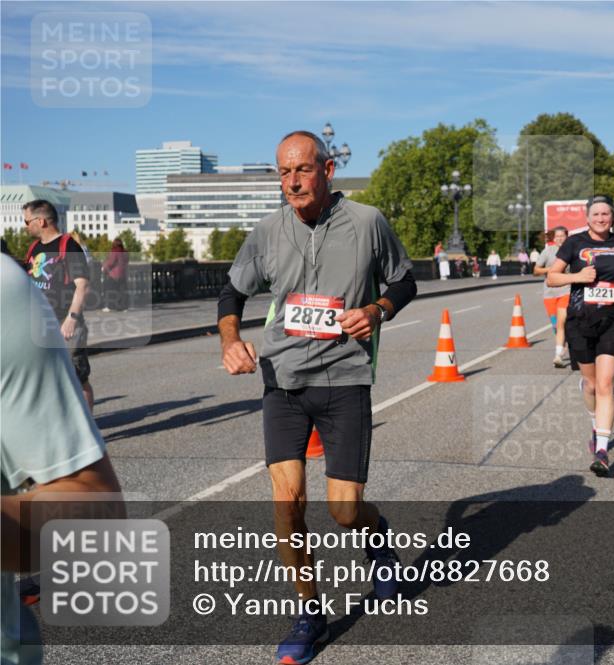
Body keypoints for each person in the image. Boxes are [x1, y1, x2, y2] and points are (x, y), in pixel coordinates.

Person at [217, 131, 417, 664]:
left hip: (345, 379)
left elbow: (404, 282)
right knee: (288, 504)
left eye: (303, 170)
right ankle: (309, 613)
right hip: (282, 381)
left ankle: (378, 543)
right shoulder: (266, 230)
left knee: (343, 510)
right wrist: (231, 339)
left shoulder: (369, 222)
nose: (293, 182)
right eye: (283, 173)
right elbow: (233, 291)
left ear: (327, 171)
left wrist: (376, 311)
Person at [1, 254, 123, 665]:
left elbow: (96, 508)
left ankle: (80, 424)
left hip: (49, 325)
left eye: (31, 219)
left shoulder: (8, 284)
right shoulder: (34, 253)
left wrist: (72, 314)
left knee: (83, 378)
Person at [545, 195, 614, 477]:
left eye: (606, 214)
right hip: (580, 321)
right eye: (596, 214)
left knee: (606, 383)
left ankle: (602, 449)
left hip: (613, 320)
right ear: (587, 218)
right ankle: (594, 422)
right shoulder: (574, 243)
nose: (601, 219)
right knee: (591, 384)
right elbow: (552, 277)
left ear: (612, 218)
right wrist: (577, 277)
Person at [22, 199, 94, 410]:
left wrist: (71, 320)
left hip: (65, 322)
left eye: (27, 221)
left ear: (41, 221)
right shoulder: (34, 248)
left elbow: (83, 286)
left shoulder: (68, 246)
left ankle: (87, 428)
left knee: (77, 377)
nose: (25, 226)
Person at [533, 226, 571, 368]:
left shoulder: (571, 251)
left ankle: (558, 355)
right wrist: (552, 269)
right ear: (553, 238)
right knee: (556, 325)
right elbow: (536, 271)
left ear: (567, 237)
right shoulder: (547, 251)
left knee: (561, 322)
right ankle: (563, 344)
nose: (560, 238)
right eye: (557, 236)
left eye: (562, 235)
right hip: (549, 293)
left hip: (566, 290)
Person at [101, 237, 130, 312]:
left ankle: (110, 306)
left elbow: (111, 262)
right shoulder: (125, 252)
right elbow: (126, 262)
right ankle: (124, 307)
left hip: (113, 274)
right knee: (122, 291)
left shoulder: (114, 251)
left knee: (110, 290)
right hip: (123, 274)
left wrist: (104, 266)